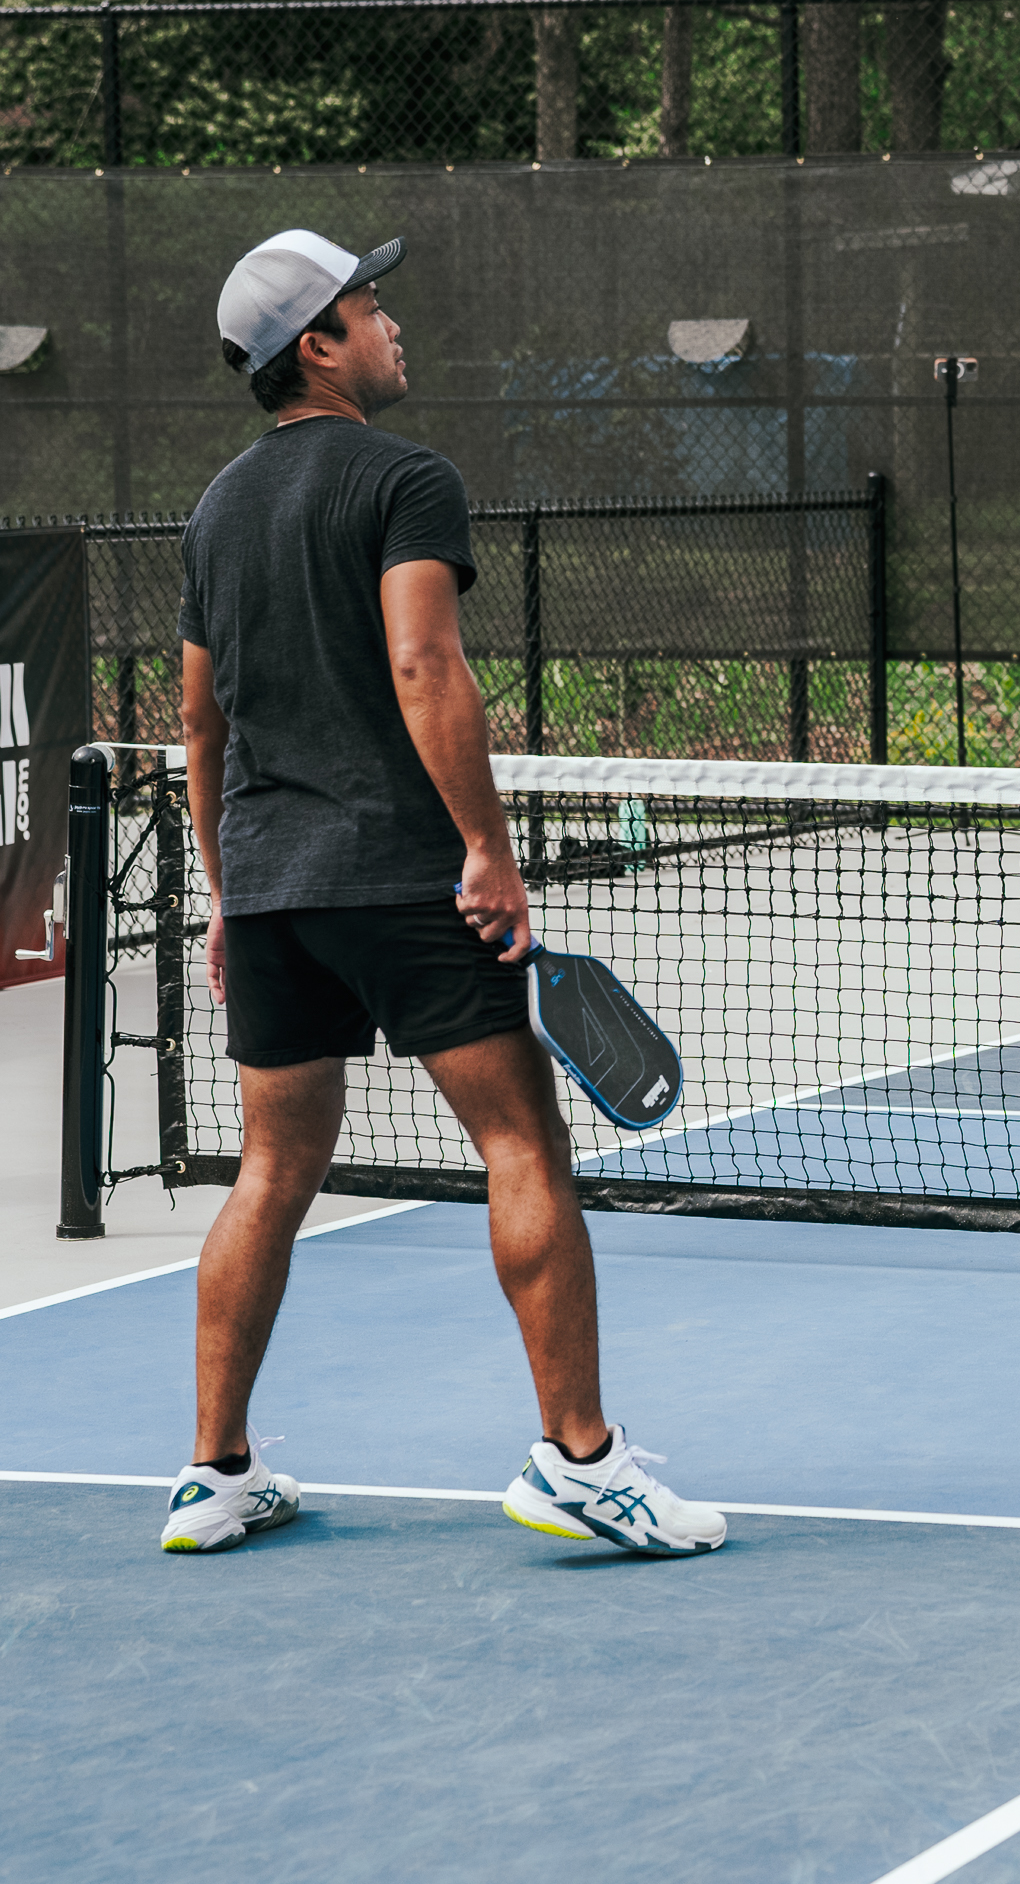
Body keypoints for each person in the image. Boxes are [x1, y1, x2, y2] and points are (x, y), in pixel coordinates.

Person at [161, 228, 724, 1557]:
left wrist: (228, 891)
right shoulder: (407, 479)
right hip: (404, 879)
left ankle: (214, 1469)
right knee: (522, 1144)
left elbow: (198, 725)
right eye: (371, 304)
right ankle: (582, 1462)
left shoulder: (214, 511)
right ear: (320, 343)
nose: (392, 322)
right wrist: (487, 845)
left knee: (270, 1169)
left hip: (279, 890)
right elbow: (425, 668)